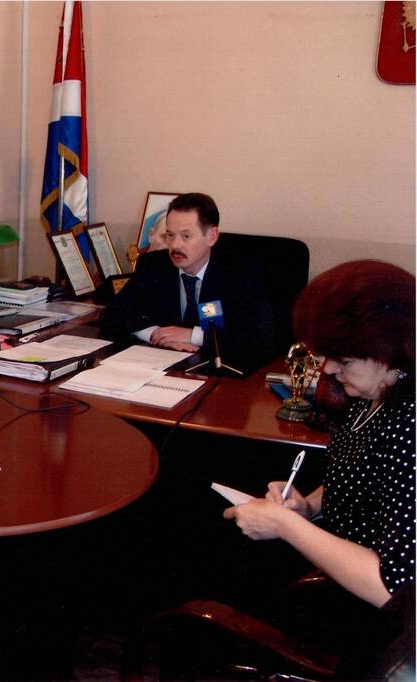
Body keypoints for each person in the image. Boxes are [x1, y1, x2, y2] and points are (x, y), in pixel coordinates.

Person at [224, 260, 414, 608]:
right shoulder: (374, 392)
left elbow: (390, 586)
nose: (328, 369)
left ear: (391, 351)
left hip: (365, 611)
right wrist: (307, 507)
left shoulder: (410, 426)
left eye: (343, 360)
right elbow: (365, 476)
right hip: (334, 562)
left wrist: (286, 526)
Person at [100, 192, 275, 372]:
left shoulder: (240, 273)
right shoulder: (153, 264)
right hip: (163, 371)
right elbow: (111, 315)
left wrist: (193, 336)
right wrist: (155, 334)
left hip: (218, 377)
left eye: (186, 236)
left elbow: (260, 339)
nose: (175, 245)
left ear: (212, 236)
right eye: (170, 235)